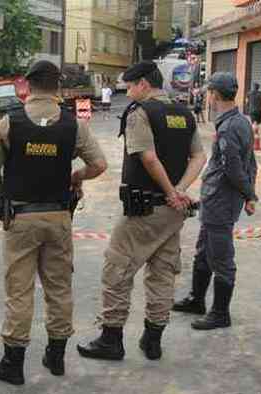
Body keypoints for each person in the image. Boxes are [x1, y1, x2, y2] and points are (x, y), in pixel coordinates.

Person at [0, 60, 108, 385]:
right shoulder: (73, 125)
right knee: (58, 287)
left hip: (21, 217)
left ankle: (13, 364)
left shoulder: (9, 123)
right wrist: (75, 176)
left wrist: (1, 198)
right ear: (58, 87)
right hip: (58, 217)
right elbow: (99, 164)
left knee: (19, 290)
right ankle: (56, 358)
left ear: (28, 84)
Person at [76, 61, 207, 361]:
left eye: (131, 85)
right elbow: (199, 156)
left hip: (145, 209)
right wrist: (180, 191)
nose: (128, 90)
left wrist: (171, 192)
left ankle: (111, 340)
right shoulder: (183, 113)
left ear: (145, 84)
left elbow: (148, 158)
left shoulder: (141, 112)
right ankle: (153, 340)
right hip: (172, 213)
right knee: (162, 273)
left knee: (117, 269)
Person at [173, 72, 258, 330]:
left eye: (209, 92)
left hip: (221, 201)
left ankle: (220, 313)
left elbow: (234, 167)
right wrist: (249, 191)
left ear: (215, 95)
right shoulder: (238, 121)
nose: (207, 96)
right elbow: (251, 163)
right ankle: (197, 299)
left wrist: (249, 195)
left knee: (221, 257)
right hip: (216, 200)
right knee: (203, 252)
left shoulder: (231, 127)